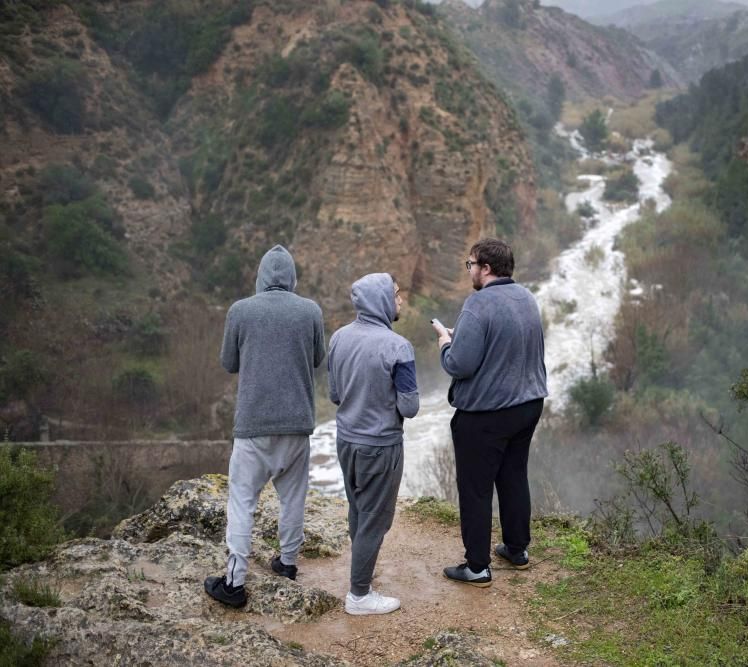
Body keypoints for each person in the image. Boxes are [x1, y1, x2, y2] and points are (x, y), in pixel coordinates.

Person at [204, 245, 326, 608]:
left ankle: (234, 584)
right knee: (293, 500)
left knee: (242, 502)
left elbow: (228, 362)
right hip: (297, 425)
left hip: (253, 427)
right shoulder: (311, 311)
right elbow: (318, 358)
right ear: (291, 278)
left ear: (259, 277)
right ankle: (287, 564)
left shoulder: (240, 310)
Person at [432, 238, 547, 587]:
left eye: (471, 265)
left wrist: (445, 343)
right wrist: (463, 336)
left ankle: (477, 566)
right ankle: (517, 549)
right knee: (513, 477)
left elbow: (460, 364)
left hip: (486, 414)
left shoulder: (477, 305)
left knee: (476, 489)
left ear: (486, 268)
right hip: (528, 405)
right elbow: (506, 344)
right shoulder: (527, 298)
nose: (469, 271)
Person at [327, 273, 419, 614]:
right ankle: (359, 595)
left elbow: (335, 394)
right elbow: (409, 406)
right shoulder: (398, 347)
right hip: (381, 445)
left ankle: (361, 577)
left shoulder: (338, 338)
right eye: (395, 295)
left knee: (358, 509)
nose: (400, 301)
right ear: (381, 300)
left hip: (346, 440)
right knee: (374, 519)